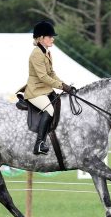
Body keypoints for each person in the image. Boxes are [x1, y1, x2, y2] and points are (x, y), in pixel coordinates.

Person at [18, 21, 74, 155]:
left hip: (45, 90)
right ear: (41, 38)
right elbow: (43, 77)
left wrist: (65, 85)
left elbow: (52, 73)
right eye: (50, 36)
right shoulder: (36, 53)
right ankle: (39, 143)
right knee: (49, 110)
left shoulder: (47, 52)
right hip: (35, 91)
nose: (52, 39)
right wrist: (62, 86)